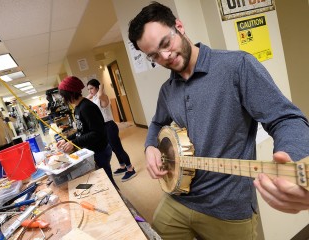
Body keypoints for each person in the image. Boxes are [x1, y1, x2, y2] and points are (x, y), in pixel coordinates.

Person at [128, 2, 309, 240]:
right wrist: (150, 145)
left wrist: (293, 165)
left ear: (179, 27)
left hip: (228, 209)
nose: (165, 57)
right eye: (153, 55)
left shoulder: (237, 66)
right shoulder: (166, 91)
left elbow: (287, 119)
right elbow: (156, 123)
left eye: (165, 43)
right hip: (177, 199)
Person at [56, 76, 118, 189]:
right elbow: (81, 131)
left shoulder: (87, 107)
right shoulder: (78, 108)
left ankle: (120, 201)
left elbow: (97, 133)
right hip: (93, 150)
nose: (64, 99)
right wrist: (67, 140)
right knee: (102, 179)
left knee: (107, 181)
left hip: (100, 150)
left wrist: (73, 142)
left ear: (70, 94)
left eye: (64, 96)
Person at [87, 79, 137, 182]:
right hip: (103, 128)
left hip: (110, 126)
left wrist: (101, 86)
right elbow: (86, 99)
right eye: (88, 89)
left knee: (118, 148)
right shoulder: (95, 98)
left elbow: (100, 95)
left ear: (97, 87)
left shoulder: (103, 97)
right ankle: (122, 167)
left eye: (91, 88)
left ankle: (130, 169)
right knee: (113, 148)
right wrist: (91, 93)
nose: (90, 91)